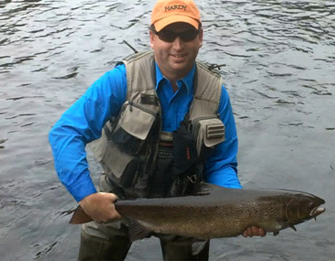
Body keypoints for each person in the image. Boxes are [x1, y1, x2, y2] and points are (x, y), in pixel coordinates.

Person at [49, 0, 265, 260]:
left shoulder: (217, 96)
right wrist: (87, 196)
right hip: (117, 202)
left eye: (186, 35)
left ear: (200, 38)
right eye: (167, 35)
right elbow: (66, 132)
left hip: (189, 211)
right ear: (152, 38)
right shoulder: (121, 81)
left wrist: (238, 208)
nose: (177, 45)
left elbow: (221, 163)